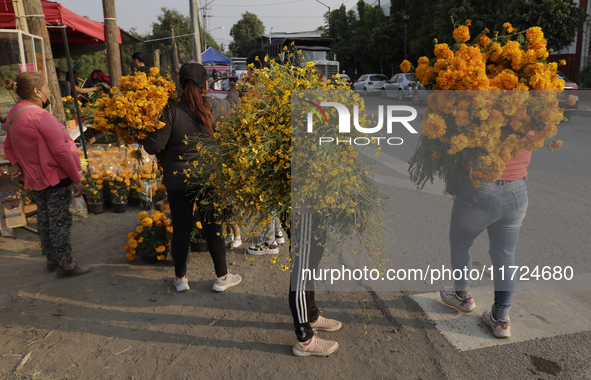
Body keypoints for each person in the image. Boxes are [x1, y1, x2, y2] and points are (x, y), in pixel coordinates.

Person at [244, 49, 342, 356]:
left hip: (315, 196)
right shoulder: (276, 111)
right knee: (302, 262)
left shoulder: (300, 106)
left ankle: (311, 314)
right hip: (300, 200)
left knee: (313, 254)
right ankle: (304, 337)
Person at [143, 62, 242, 293]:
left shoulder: (171, 112)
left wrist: (144, 129)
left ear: (180, 84)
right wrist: (234, 87)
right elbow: (232, 103)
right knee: (213, 228)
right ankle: (222, 277)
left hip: (178, 183)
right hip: (208, 180)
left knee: (181, 230)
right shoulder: (214, 107)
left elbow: (152, 146)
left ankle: (181, 279)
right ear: (206, 84)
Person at [3, 72, 91, 278]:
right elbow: (60, 152)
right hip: (56, 175)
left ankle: (52, 258)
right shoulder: (39, 116)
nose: (50, 92)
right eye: (47, 88)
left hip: (35, 176)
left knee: (44, 218)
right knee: (59, 221)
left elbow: (8, 146)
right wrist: (76, 179)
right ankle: (67, 264)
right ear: (36, 91)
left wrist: (16, 165)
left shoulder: (14, 114)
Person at [440, 152, 532, 338]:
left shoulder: (481, 120)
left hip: (479, 187)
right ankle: (501, 319)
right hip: (517, 190)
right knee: (505, 255)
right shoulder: (533, 122)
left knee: (461, 244)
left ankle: (462, 296)